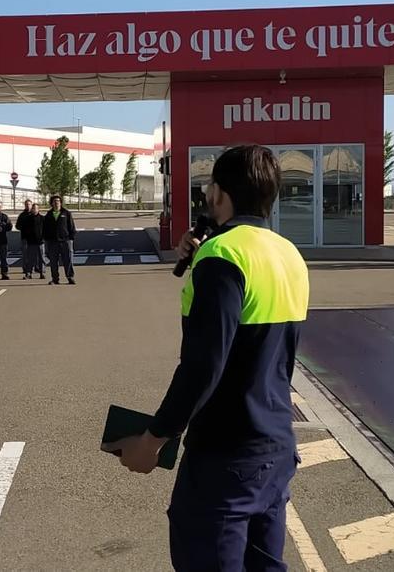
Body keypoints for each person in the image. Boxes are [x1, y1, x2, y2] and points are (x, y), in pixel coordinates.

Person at [103, 145, 308, 571]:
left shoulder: (222, 256)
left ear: (219, 193)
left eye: (209, 186)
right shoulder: (288, 254)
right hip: (274, 446)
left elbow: (204, 365)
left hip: (225, 457)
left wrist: (152, 440)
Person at [43, 195, 77, 285]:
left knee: (68, 260)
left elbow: (72, 227)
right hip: (53, 242)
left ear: (61, 202)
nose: (56, 202)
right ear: (52, 203)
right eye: (54, 201)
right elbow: (45, 229)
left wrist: (71, 239)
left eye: (58, 201)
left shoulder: (66, 213)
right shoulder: (48, 215)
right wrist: (46, 240)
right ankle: (55, 279)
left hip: (65, 241)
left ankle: (70, 277)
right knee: (53, 262)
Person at [18, 200, 46, 280]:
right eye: (33, 208)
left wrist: (43, 237)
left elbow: (46, 229)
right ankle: (28, 273)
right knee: (30, 258)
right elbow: (24, 230)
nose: (34, 210)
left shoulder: (42, 219)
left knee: (41, 258)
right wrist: (26, 238)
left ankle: (41, 273)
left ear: (38, 209)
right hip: (31, 242)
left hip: (40, 242)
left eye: (36, 208)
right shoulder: (27, 219)